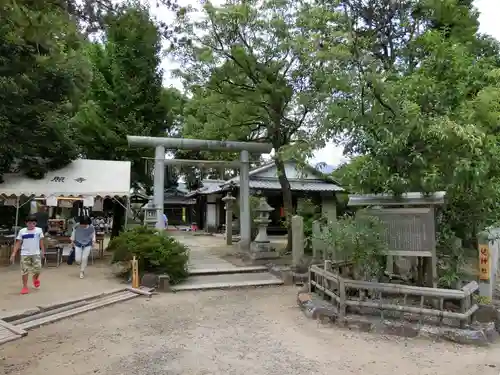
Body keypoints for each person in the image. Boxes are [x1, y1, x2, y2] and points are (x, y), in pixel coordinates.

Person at [10, 215, 45, 295]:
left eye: (33, 223)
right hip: (25, 254)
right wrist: (14, 253)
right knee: (24, 271)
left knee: (38, 269)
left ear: (35, 223)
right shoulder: (22, 231)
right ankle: (25, 286)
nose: (31, 225)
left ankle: (35, 278)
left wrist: (43, 251)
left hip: (36, 253)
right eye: (29, 223)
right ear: (26, 223)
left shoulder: (39, 230)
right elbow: (18, 243)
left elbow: (41, 242)